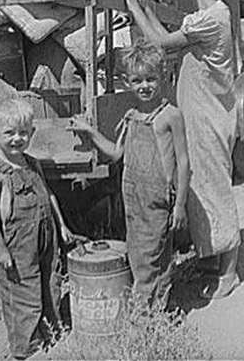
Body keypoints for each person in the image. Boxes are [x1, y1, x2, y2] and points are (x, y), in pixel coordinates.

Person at [124, 0, 241, 299]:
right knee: (200, 187)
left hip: (208, 116)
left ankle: (230, 272)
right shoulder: (215, 16)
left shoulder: (210, 17)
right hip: (202, 114)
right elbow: (165, 37)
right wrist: (145, 11)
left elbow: (160, 44)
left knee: (214, 188)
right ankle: (210, 259)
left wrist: (135, 8)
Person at [68, 40, 190, 306]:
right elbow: (116, 154)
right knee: (144, 254)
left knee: (150, 257)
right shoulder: (131, 116)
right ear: (127, 82)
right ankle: (161, 310)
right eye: (137, 80)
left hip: (158, 198)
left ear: (163, 76)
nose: (144, 86)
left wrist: (180, 204)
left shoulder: (171, 116)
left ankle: (142, 319)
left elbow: (183, 162)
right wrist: (90, 133)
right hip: (134, 200)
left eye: (151, 79)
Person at [0, 98, 73, 360]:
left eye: (23, 133)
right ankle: (27, 346)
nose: (17, 139)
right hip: (17, 243)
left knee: (49, 281)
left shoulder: (33, 163)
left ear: (32, 133)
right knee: (22, 292)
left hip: (46, 236)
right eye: (9, 133)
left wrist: (62, 225)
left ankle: (50, 331)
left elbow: (49, 194)